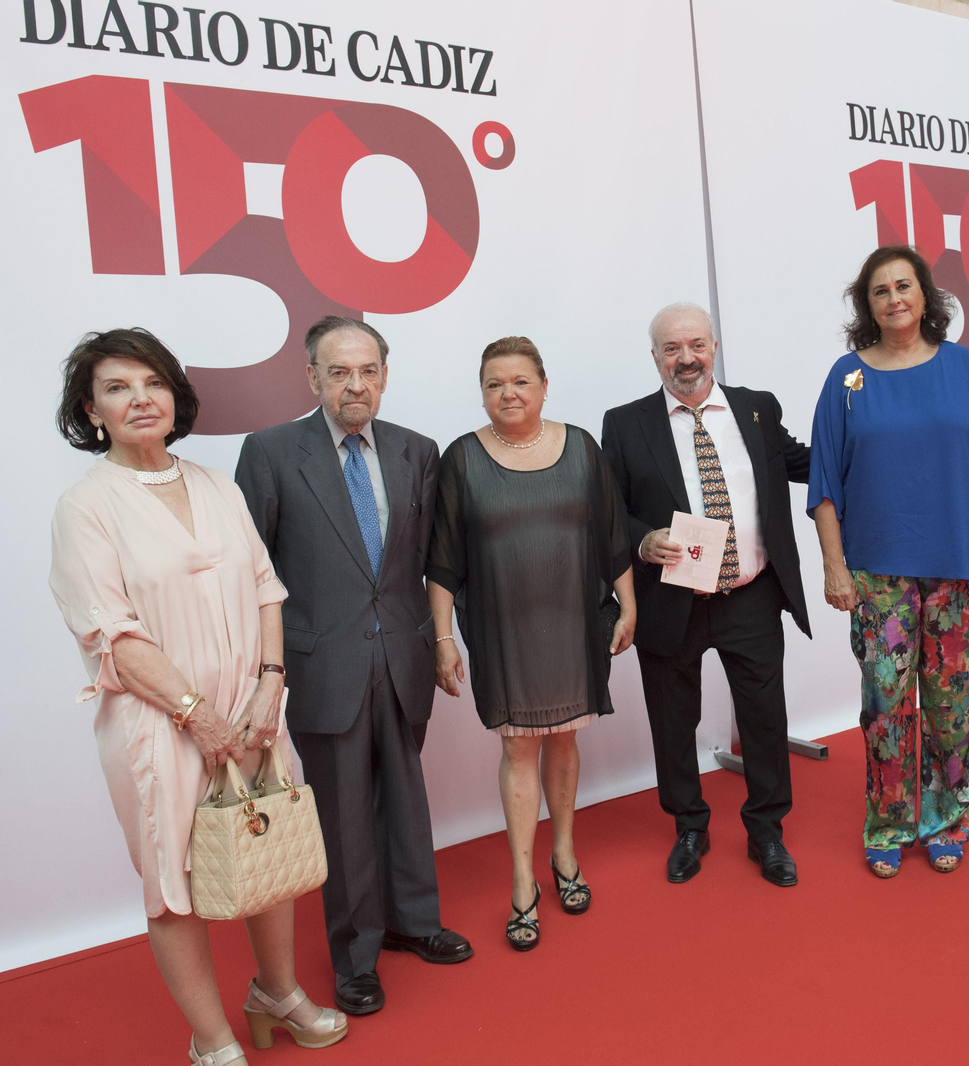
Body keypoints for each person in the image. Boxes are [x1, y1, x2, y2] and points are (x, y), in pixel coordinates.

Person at [49, 329, 345, 1066]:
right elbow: (111, 637)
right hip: (160, 726)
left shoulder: (217, 484)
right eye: (117, 388)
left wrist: (269, 688)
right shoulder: (85, 508)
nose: (139, 398)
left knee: (267, 849)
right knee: (174, 884)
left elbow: (266, 590)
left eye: (151, 382)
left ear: (174, 394)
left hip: (252, 710)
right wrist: (198, 716)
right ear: (92, 412)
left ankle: (276, 995)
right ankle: (211, 1039)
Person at [235, 317, 471, 1017]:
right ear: (312, 377)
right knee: (343, 816)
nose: (355, 385)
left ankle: (415, 922)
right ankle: (356, 957)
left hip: (402, 654)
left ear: (385, 375)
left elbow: (430, 559)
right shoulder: (272, 453)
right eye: (339, 372)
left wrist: (438, 637)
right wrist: (264, 672)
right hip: (320, 664)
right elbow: (253, 574)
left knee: (406, 796)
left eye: (368, 370)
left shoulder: (416, 451)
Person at [809, 245, 969, 879]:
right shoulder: (846, 379)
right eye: (880, 290)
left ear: (926, 296)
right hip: (877, 572)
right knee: (885, 704)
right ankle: (890, 820)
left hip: (958, 566)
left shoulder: (968, 372)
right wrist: (834, 567)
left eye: (905, 286)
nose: (895, 298)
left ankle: (947, 818)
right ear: (866, 306)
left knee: (953, 704)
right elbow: (824, 485)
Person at [425, 336, 636, 950]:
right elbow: (443, 560)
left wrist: (629, 605)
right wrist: (443, 639)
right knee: (519, 748)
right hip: (502, 627)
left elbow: (612, 536)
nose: (508, 393)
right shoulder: (462, 459)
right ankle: (523, 881)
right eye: (494, 383)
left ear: (544, 386)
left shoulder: (582, 450)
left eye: (520, 381)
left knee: (564, 740)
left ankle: (564, 856)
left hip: (573, 621)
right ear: (482, 394)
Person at [601, 302, 811, 888]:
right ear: (654, 357)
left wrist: (868, 448)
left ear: (713, 347)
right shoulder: (625, 423)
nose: (685, 358)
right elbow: (609, 509)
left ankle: (767, 832)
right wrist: (644, 541)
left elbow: (805, 464)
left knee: (765, 718)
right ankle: (689, 825)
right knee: (673, 720)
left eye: (695, 344)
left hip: (750, 592)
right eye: (671, 348)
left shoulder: (757, 408)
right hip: (672, 597)